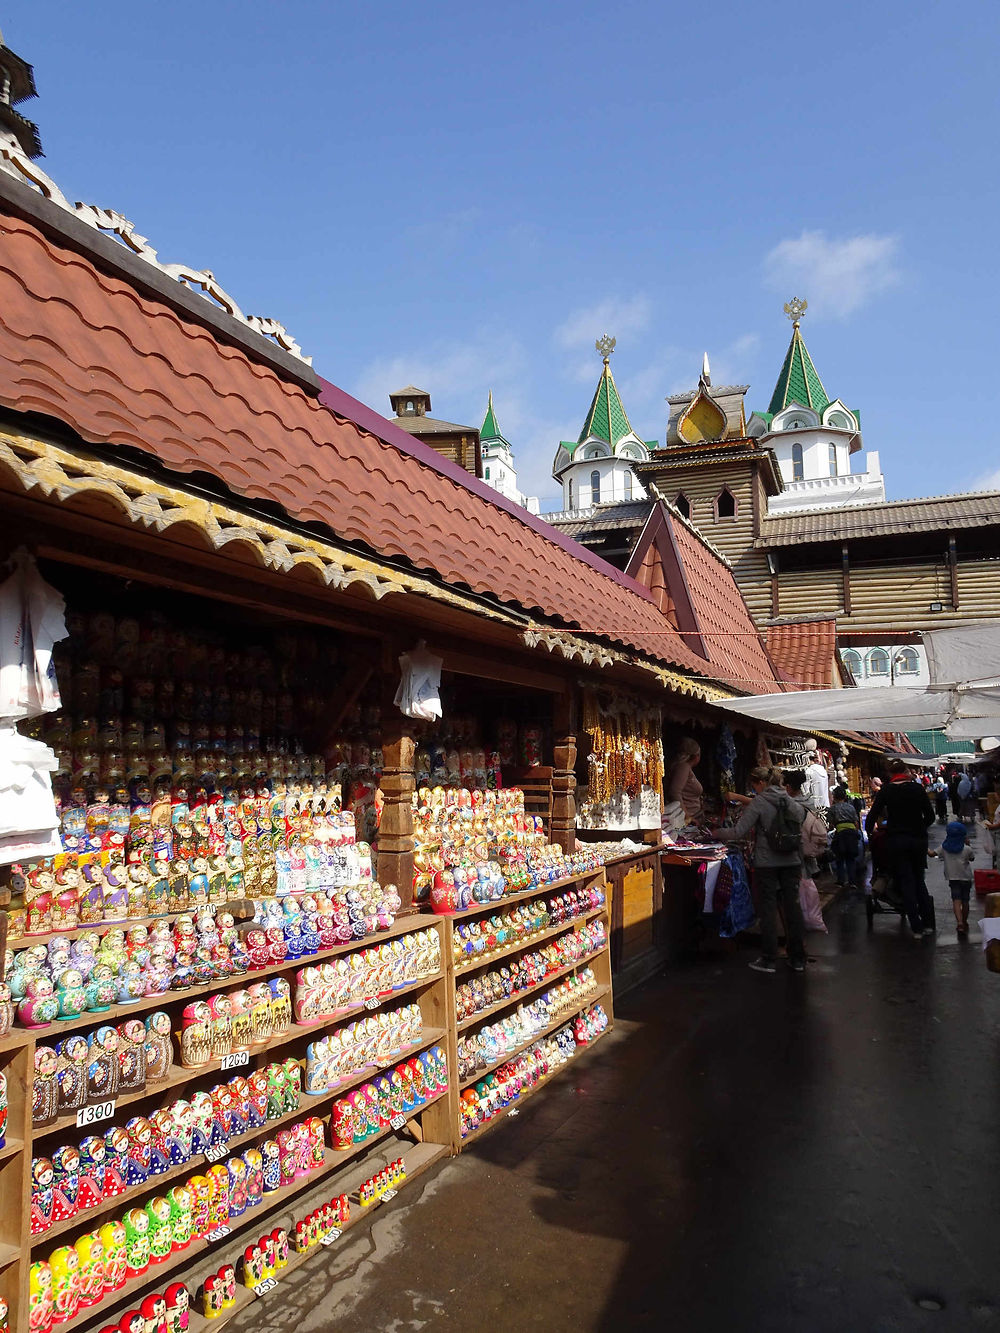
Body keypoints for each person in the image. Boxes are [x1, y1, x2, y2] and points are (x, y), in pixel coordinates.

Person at [712, 764, 806, 974]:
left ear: (761, 783)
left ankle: (769, 959)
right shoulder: (788, 800)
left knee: (768, 911)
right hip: (791, 861)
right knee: (793, 909)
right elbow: (801, 819)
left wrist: (717, 833)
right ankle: (798, 958)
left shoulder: (760, 802)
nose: (754, 790)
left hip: (767, 863)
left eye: (754, 785)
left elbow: (738, 831)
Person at [864, 760, 935, 938]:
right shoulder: (917, 789)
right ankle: (928, 924)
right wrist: (919, 828)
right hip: (917, 841)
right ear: (906, 771)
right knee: (919, 881)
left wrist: (871, 834)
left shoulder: (886, 790)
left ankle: (916, 927)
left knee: (906, 882)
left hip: (897, 840)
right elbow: (930, 816)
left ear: (890, 773)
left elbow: (872, 815)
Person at [931, 820, 975, 935]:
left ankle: (959, 922)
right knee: (965, 901)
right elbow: (971, 858)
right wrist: (968, 845)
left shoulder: (944, 847)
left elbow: (932, 854)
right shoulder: (967, 848)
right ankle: (965, 921)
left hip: (953, 878)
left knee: (956, 900)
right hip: (966, 878)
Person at [829, 784, 862, 889]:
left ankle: (841, 880)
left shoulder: (833, 809)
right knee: (850, 858)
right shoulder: (851, 807)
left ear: (834, 797)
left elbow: (831, 824)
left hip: (840, 833)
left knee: (839, 858)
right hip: (851, 833)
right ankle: (852, 881)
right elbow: (856, 822)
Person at [664, 737, 703, 827]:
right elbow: (675, 792)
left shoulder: (685, 768)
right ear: (696, 756)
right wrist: (687, 816)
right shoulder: (683, 767)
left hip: (690, 817)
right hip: (687, 820)